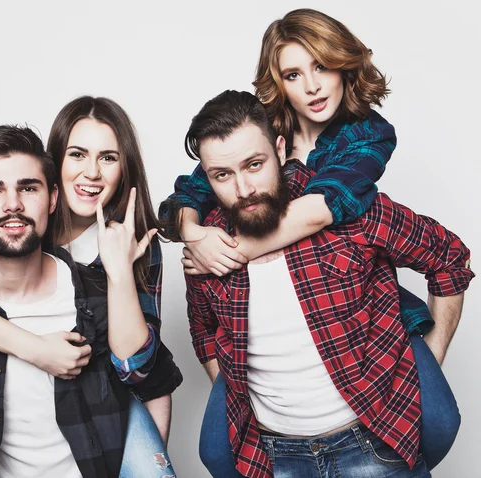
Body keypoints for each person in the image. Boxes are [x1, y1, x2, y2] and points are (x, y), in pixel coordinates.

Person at [158, 8, 458, 475]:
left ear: (344, 64)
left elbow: (322, 208)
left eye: (321, 66)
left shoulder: (365, 136)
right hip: (283, 414)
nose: (313, 86)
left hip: (370, 315)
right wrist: (195, 234)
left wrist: (236, 251)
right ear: (279, 84)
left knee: (437, 420)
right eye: (294, 74)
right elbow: (189, 193)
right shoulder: (251, 137)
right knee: (218, 452)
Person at [0, 97, 182, 477]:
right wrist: (33, 349)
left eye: (108, 158)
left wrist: (119, 273)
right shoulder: (16, 217)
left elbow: (138, 369)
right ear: (55, 171)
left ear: (125, 168)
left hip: (108, 399)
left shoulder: (133, 242)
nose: (92, 173)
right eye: (77, 154)